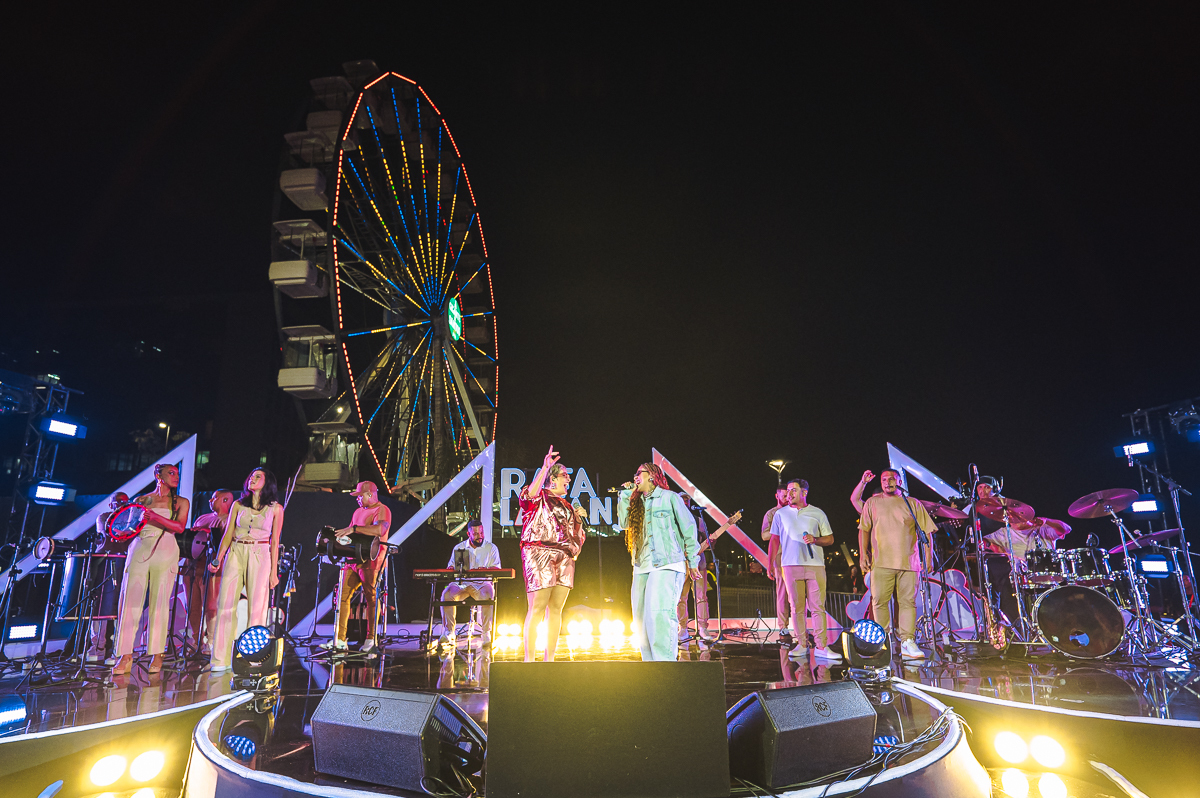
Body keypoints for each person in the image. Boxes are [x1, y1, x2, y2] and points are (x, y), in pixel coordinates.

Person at [618, 462, 702, 662]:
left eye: (639, 473)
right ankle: (650, 666)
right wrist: (625, 496)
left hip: (667, 563)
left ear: (652, 476)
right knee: (641, 620)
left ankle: (664, 664)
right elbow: (623, 523)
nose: (635, 477)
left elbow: (689, 529)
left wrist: (693, 560)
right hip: (641, 566)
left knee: (659, 614)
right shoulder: (636, 502)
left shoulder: (670, 498)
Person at [112, 464, 189, 675]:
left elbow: (179, 527)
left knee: (160, 601)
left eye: (177, 473)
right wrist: (120, 529)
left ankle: (157, 653)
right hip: (140, 546)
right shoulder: (142, 499)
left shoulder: (181, 502)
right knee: (130, 601)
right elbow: (129, 526)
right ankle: (125, 654)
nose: (176, 477)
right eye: (171, 473)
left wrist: (154, 517)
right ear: (158, 476)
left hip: (165, 547)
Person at [208, 468, 284, 671]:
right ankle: (220, 659)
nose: (252, 479)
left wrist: (273, 572)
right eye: (251, 476)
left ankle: (253, 657)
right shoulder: (238, 504)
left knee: (257, 607)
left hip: (260, 553)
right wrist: (218, 559)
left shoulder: (276, 509)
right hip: (236, 551)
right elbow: (228, 534)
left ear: (267, 482)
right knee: (226, 605)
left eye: (258, 477)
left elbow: (275, 542)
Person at [857, 468, 937, 661]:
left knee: (908, 602)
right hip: (881, 562)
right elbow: (864, 529)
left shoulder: (912, 503)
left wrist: (928, 557)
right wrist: (862, 554)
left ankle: (908, 641)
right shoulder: (873, 502)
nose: (888, 482)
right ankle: (883, 641)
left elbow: (926, 532)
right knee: (879, 602)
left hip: (909, 563)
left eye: (892, 479)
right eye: (884, 479)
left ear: (900, 482)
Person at [518, 446, 586, 662]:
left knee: (556, 608)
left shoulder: (568, 506)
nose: (568, 479)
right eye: (564, 475)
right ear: (553, 479)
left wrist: (578, 521)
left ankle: (550, 660)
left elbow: (577, 539)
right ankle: (530, 660)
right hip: (539, 551)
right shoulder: (539, 497)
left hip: (564, 557)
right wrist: (545, 467)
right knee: (538, 606)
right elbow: (528, 496)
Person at [771, 478, 840, 662]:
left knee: (817, 607)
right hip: (789, 565)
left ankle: (821, 646)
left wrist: (815, 539)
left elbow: (830, 539)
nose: (789, 494)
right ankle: (802, 644)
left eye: (793, 490)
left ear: (804, 492)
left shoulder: (817, 513)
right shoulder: (780, 514)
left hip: (815, 565)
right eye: (788, 491)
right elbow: (774, 540)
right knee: (796, 607)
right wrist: (771, 563)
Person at [322, 480, 392, 655]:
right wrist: (334, 538)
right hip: (353, 559)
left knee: (371, 598)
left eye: (360, 496)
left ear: (370, 494)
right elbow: (350, 533)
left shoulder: (382, 510)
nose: (357, 499)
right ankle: (340, 639)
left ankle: (371, 638)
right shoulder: (358, 512)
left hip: (372, 560)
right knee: (342, 596)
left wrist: (354, 528)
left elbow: (379, 531)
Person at [184, 489, 234, 656]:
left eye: (214, 498)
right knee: (192, 606)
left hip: (213, 570)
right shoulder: (202, 518)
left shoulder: (228, 520)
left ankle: (211, 641)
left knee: (211, 607)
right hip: (193, 568)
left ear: (225, 500)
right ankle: (196, 639)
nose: (210, 501)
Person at [439, 518, 501, 647]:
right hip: (462, 583)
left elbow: (497, 568)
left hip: (482, 583)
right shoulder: (459, 547)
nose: (480, 536)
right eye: (476, 534)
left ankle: (486, 633)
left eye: (481, 533)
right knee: (447, 595)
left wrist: (485, 570)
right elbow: (451, 566)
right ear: (468, 534)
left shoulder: (491, 548)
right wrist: (452, 568)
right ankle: (449, 632)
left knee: (488, 594)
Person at [86, 492, 129, 663]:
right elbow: (113, 535)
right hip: (104, 561)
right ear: (111, 505)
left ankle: (119, 649)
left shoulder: (132, 518)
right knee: (100, 606)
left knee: (122, 605)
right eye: (118, 502)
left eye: (125, 502)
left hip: (125, 562)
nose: (121, 504)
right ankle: (97, 647)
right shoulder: (103, 517)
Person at [676, 496, 713, 644]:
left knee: (701, 596)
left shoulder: (698, 520)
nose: (685, 502)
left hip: (699, 562)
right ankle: (682, 628)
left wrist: (711, 542)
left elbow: (707, 541)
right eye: (682, 500)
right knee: (681, 597)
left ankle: (703, 627)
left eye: (687, 500)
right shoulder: (673, 519)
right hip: (680, 562)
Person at [761, 486, 792, 644]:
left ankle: (800, 626)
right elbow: (765, 535)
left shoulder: (794, 511)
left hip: (795, 555)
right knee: (782, 591)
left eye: (788, 495)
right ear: (777, 496)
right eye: (784, 495)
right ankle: (783, 625)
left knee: (798, 592)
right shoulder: (772, 513)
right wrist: (778, 529)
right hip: (780, 555)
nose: (787, 498)